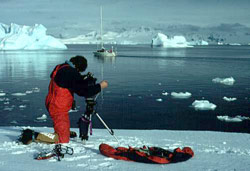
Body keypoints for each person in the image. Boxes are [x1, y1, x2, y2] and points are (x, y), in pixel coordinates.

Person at [19, 55, 108, 145]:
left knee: (62, 126)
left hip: (54, 102)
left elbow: (71, 82)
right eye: (79, 71)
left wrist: (83, 78)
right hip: (58, 107)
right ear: (78, 67)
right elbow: (83, 91)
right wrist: (100, 86)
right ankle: (32, 135)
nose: (79, 73)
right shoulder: (70, 72)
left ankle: (63, 131)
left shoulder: (63, 67)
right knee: (63, 140)